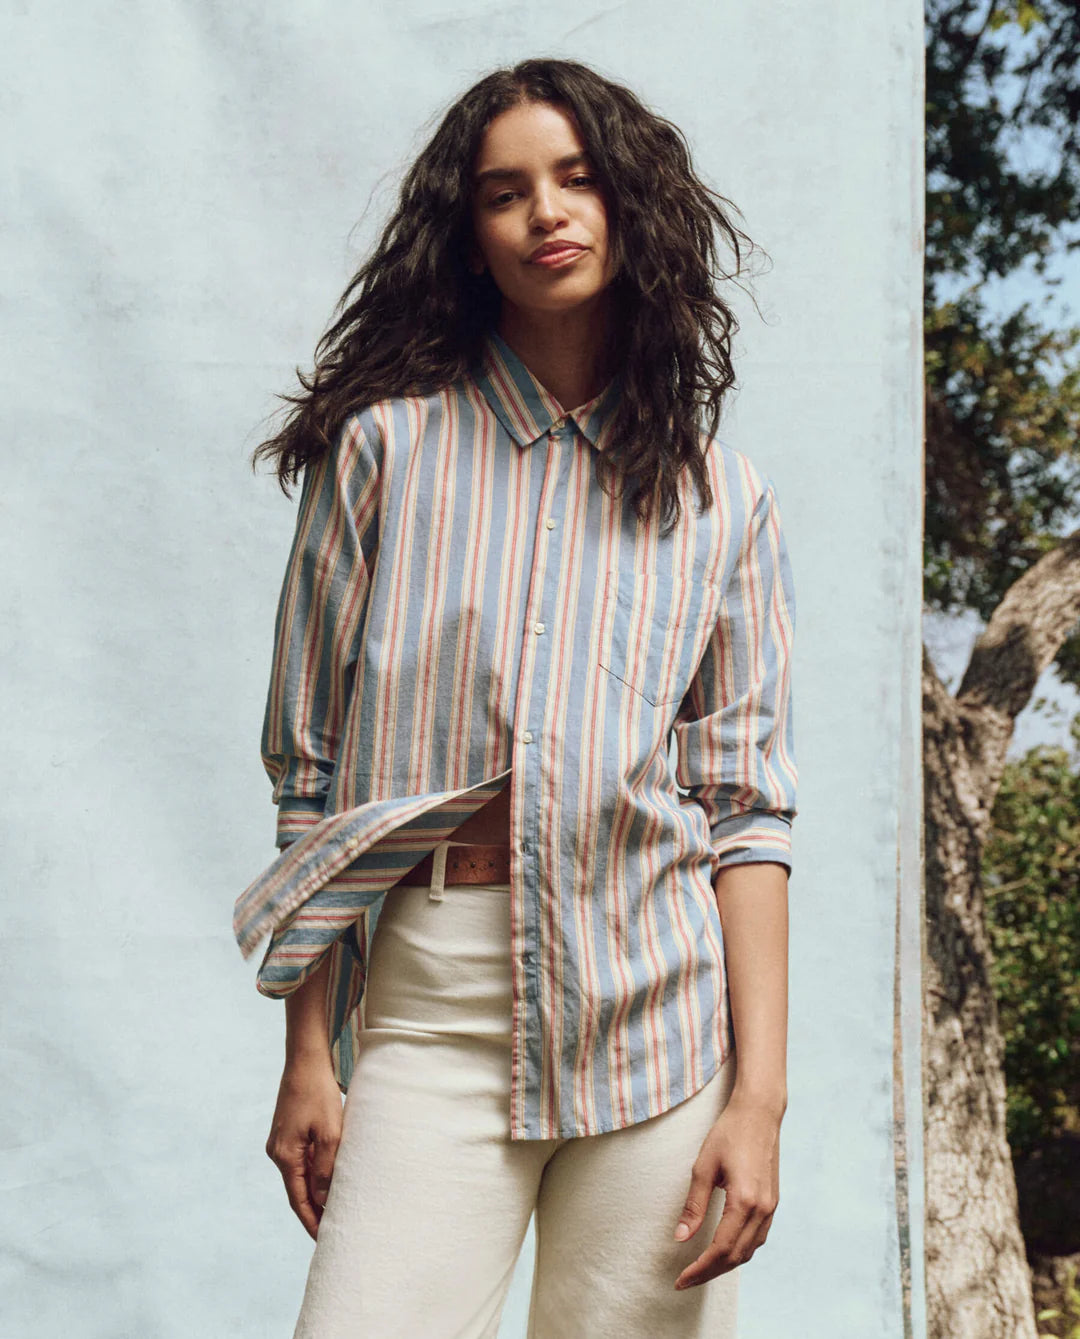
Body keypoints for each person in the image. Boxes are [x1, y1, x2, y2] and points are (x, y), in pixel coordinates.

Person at [233, 56, 798, 1339]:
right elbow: (310, 777)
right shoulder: (381, 449)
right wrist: (308, 1056)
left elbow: (747, 819)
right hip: (433, 1015)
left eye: (578, 178)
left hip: (659, 1033)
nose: (548, 211)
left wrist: (756, 1100)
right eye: (506, 192)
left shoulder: (725, 500)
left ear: (629, 209)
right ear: (470, 237)